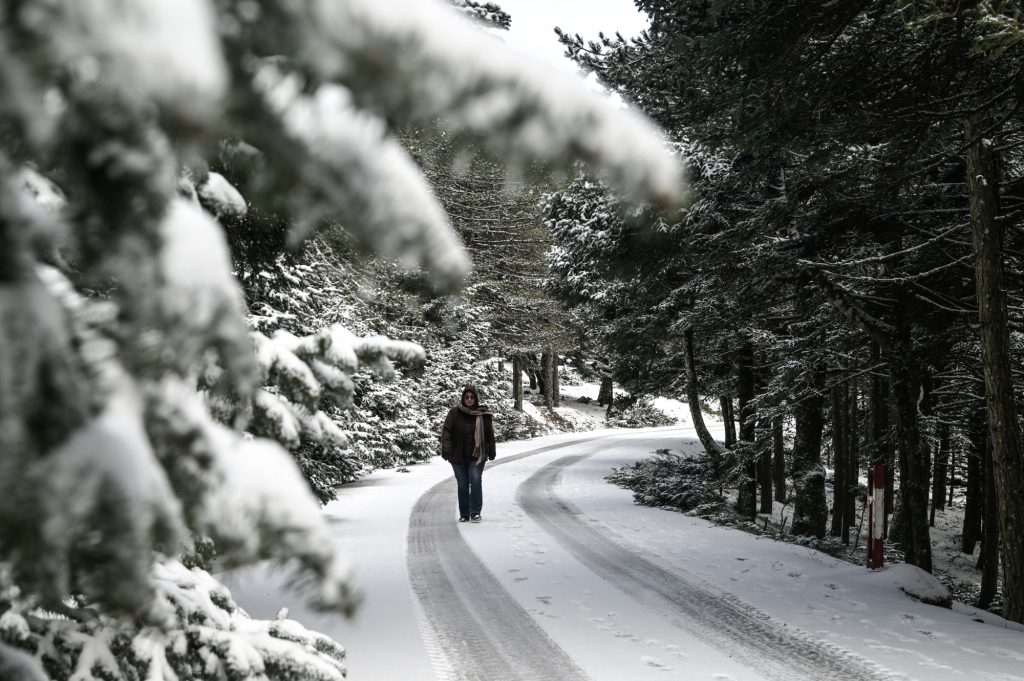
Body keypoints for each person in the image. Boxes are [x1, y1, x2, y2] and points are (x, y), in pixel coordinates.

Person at [441, 385, 496, 522]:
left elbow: (489, 434)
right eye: (467, 397)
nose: (469, 399)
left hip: (477, 455)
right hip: (458, 455)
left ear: (475, 398)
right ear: (463, 398)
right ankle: (464, 514)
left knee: (475, 481)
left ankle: (475, 512)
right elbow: (447, 431)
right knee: (463, 485)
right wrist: (447, 447)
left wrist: (492, 450)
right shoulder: (454, 413)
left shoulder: (483, 414)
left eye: (472, 397)